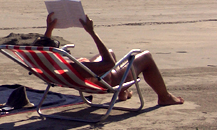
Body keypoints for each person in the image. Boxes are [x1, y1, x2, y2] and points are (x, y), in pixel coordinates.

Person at [37, 12, 184, 106]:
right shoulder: (75, 67)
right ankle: (164, 97)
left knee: (110, 51)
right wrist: (92, 32)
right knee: (146, 57)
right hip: (110, 80)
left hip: (89, 77)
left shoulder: (50, 65)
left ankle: (123, 93)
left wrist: (49, 29)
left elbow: (44, 51)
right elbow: (109, 64)